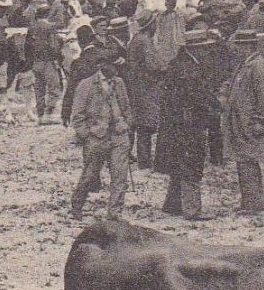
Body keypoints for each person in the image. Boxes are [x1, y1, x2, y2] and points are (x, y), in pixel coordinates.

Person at [154, 28, 227, 220]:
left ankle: (173, 204)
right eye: (204, 48)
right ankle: (192, 209)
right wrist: (215, 107)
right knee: (191, 163)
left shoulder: (180, 65)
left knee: (178, 163)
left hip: (176, 123)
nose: (207, 51)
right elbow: (197, 96)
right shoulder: (190, 69)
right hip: (188, 123)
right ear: (195, 49)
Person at [69, 52, 132, 220]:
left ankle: (114, 213)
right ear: (102, 65)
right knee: (90, 175)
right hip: (96, 138)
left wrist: (126, 125)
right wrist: (88, 136)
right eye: (113, 66)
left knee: (120, 176)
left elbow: (127, 108)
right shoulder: (86, 85)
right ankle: (77, 205)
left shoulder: (119, 83)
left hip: (119, 136)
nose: (117, 70)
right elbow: (77, 117)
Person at [222, 29, 264, 215]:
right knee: (243, 161)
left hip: (250, 124)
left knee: (248, 161)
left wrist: (261, 120)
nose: (236, 50)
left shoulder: (258, 66)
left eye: (239, 46)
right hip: (241, 124)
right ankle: (249, 200)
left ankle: (254, 203)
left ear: (247, 46)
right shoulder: (246, 65)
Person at [124, 11, 163, 167]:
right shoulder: (145, 41)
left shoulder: (136, 39)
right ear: (151, 25)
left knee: (137, 122)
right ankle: (144, 160)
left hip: (136, 85)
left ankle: (130, 155)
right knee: (145, 124)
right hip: (146, 87)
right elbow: (153, 65)